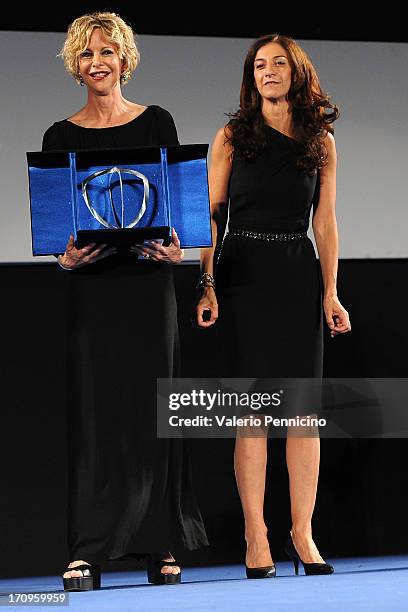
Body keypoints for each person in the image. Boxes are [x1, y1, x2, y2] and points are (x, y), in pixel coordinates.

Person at [41, 12, 207, 591]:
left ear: (126, 59)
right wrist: (63, 259)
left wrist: (179, 253)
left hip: (146, 286)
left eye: (108, 51)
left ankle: (162, 544)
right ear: (75, 66)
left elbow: (179, 215)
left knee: (155, 413)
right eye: (87, 54)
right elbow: (59, 228)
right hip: (93, 292)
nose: (98, 62)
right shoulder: (59, 136)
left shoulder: (158, 120)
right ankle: (87, 551)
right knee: (96, 417)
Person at [197, 34, 351, 578]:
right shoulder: (233, 136)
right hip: (242, 276)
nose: (267, 72)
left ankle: (303, 535)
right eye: (259, 65)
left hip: (297, 276)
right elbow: (211, 217)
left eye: (278, 64)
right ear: (251, 76)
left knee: (303, 414)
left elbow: (325, 223)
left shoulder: (320, 140)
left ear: (296, 72)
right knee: (252, 415)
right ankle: (255, 538)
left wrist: (331, 292)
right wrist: (207, 283)